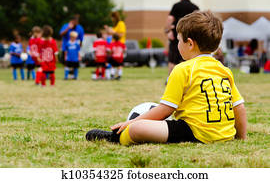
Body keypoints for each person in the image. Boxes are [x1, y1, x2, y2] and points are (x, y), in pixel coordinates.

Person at [86, 11, 247, 146]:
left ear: (189, 44)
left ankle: (115, 138)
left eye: (178, 40)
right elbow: (239, 107)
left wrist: (130, 123)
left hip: (194, 132)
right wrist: (241, 138)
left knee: (138, 128)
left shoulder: (183, 69)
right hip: (224, 135)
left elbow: (165, 110)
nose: (177, 44)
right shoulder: (224, 70)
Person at [165, 0, 199, 76]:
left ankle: (170, 79)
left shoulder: (176, 6)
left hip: (176, 36)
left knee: (172, 60)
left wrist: (168, 31)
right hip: (190, 38)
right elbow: (199, 22)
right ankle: (188, 78)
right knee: (189, 59)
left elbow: (170, 19)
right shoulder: (195, 7)